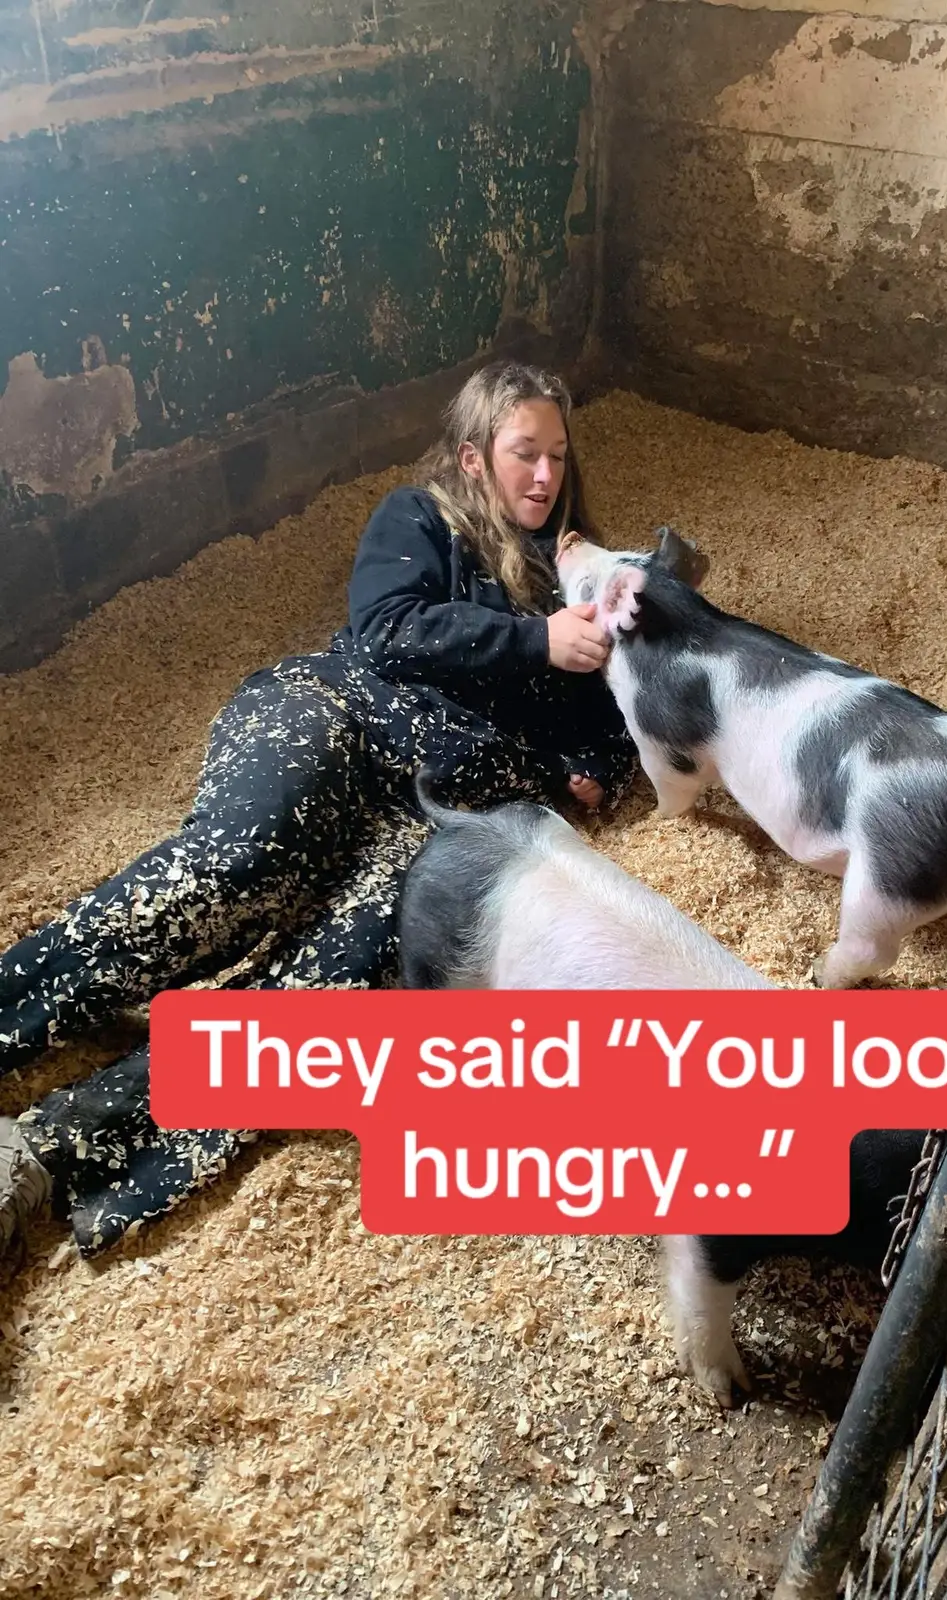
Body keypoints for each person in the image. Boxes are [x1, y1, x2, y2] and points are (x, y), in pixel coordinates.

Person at [0, 359, 640, 1274]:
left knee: (324, 988)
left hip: (432, 816)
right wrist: (535, 641)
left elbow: (616, 716)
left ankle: (47, 1151)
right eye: (523, 454)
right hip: (334, 714)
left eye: (558, 457)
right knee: (244, 862)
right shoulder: (419, 519)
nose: (545, 476)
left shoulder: (573, 578)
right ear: (473, 456)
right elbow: (385, 625)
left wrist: (597, 768)